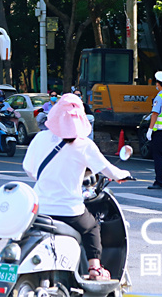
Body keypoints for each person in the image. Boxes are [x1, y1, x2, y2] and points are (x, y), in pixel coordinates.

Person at [23, 93, 131, 281]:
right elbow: (108, 170)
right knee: (91, 228)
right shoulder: (83, 145)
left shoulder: (39, 139)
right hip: (69, 211)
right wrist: (122, 175)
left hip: (39, 209)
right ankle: (94, 269)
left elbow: (29, 169)